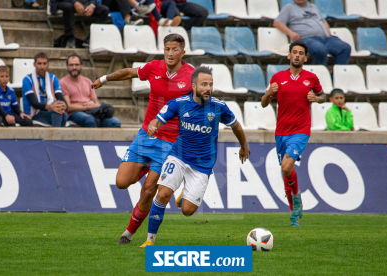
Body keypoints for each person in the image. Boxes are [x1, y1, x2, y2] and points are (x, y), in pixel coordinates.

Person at [91, 33, 194, 244]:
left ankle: (128, 234)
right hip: (146, 135)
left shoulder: (192, 75)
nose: (170, 53)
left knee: (148, 191)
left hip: (170, 142)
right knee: (121, 182)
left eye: (175, 50)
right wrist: (104, 79)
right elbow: (129, 72)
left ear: (183, 53)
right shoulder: (154, 67)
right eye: (167, 49)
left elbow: (202, 104)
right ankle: (148, 169)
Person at [140, 67, 250, 247]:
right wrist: (154, 126)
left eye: (211, 84)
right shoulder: (179, 103)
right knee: (163, 194)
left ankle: (184, 194)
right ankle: (150, 240)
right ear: (193, 86)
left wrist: (243, 145)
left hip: (202, 165)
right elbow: (158, 119)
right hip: (178, 156)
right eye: (204, 84)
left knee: (187, 211)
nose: (208, 88)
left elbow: (236, 126)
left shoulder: (219, 107)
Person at [261, 40, 326, 227]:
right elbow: (264, 104)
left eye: (301, 53)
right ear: (289, 55)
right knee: (285, 171)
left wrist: (317, 98)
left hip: (301, 130)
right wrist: (268, 94)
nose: (297, 55)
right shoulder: (278, 77)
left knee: (287, 166)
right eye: (294, 52)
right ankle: (294, 210)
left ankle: (296, 201)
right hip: (281, 131)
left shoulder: (311, 78)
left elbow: (323, 96)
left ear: (305, 58)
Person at [273, 0, 351, 67]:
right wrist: (291, 33)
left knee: (345, 48)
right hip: (307, 39)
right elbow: (277, 23)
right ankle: (321, 77)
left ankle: (335, 77)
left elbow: (323, 21)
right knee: (320, 49)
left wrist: (327, 31)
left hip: (325, 38)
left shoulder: (313, 7)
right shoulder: (288, 7)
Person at [61, 54, 121, 128]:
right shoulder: (63, 83)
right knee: (89, 120)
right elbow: (68, 107)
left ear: (81, 66)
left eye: (77, 64)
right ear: (67, 66)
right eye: (71, 65)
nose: (74, 67)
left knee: (115, 122)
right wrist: (86, 107)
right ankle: (97, 139)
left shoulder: (88, 81)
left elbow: (96, 102)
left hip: (92, 112)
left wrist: (92, 103)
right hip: (74, 113)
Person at [22, 52, 68, 127]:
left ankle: (56, 136)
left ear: (48, 64)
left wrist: (63, 105)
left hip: (51, 111)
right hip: (35, 114)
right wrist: (50, 107)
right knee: (59, 113)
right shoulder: (27, 79)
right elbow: (34, 103)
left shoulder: (53, 78)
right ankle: (57, 137)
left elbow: (60, 97)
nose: (42, 67)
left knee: (62, 112)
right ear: (34, 64)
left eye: (44, 63)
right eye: (39, 64)